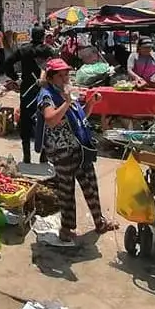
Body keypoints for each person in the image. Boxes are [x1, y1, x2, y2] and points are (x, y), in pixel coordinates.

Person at [35, 58, 119, 245]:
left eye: (67, 74)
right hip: (62, 151)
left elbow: (78, 117)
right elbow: (51, 119)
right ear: (51, 78)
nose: (65, 78)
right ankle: (66, 229)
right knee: (67, 190)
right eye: (60, 75)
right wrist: (66, 102)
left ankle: (99, 222)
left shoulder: (66, 92)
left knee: (91, 185)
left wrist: (91, 103)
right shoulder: (47, 95)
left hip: (80, 147)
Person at [3, 25, 55, 164]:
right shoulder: (48, 50)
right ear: (43, 36)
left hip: (27, 90)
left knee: (25, 120)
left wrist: (15, 77)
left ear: (31, 35)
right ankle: (44, 155)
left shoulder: (24, 49)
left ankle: (27, 156)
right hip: (45, 90)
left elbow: (7, 63)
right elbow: (55, 68)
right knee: (46, 120)